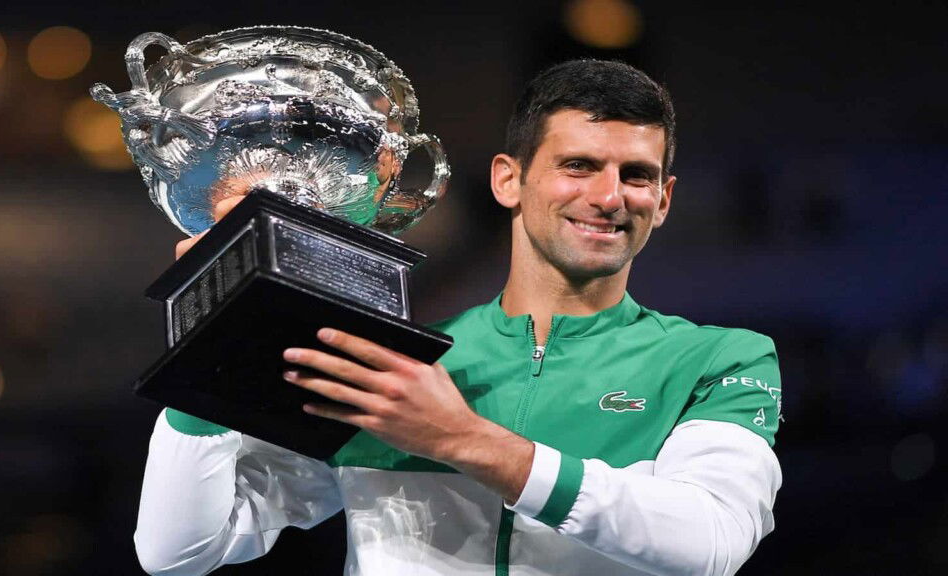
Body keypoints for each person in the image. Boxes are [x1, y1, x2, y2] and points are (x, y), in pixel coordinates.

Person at [134, 59, 783, 576]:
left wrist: (459, 439)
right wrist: (210, 351)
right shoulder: (395, 364)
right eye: (578, 166)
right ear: (509, 180)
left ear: (663, 200)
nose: (610, 197)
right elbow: (178, 552)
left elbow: (711, 541)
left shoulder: (720, 359)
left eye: (636, 176)